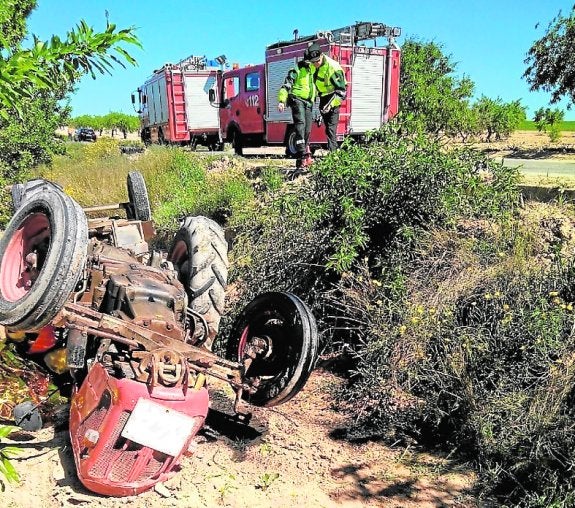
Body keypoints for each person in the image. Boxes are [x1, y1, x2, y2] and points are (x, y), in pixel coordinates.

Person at [277, 53, 317, 169]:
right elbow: (286, 85)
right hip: (297, 99)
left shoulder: (313, 69)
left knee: (307, 129)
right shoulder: (296, 70)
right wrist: (282, 101)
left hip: (309, 102)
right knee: (300, 125)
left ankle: (305, 153)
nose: (310, 63)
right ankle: (302, 155)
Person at [306, 42, 347, 152]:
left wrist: (331, 105)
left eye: (317, 61)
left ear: (322, 55)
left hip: (333, 98)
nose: (316, 64)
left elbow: (342, 93)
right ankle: (333, 152)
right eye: (313, 62)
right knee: (327, 129)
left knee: (331, 129)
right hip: (322, 99)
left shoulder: (333, 67)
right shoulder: (312, 65)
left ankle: (333, 155)